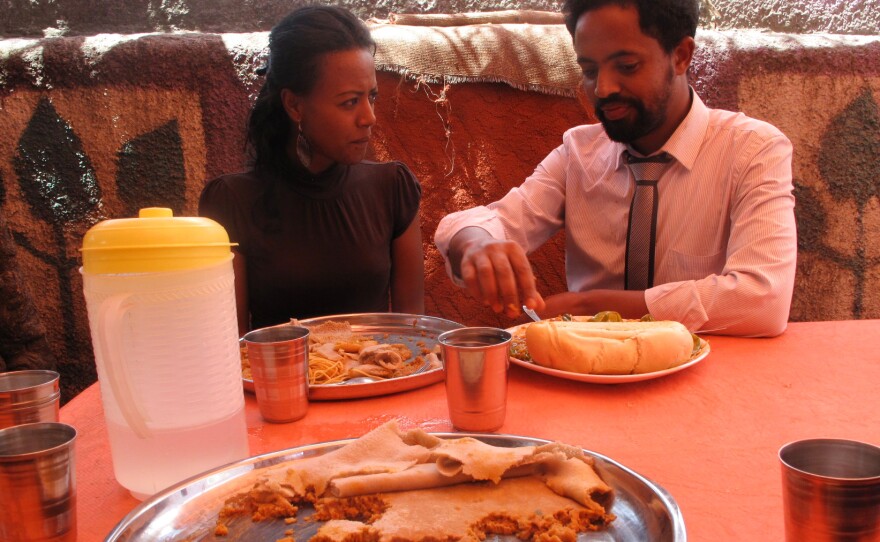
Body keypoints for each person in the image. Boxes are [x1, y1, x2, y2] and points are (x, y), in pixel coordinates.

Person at [434, 0, 796, 337]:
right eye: (589, 70)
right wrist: (476, 243)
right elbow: (490, 222)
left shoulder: (753, 150)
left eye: (627, 66)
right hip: (584, 379)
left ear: (681, 56)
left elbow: (764, 298)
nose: (603, 88)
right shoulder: (578, 152)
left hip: (706, 382)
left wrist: (591, 306)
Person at [200, 5, 424, 335]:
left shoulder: (392, 189)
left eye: (371, 97)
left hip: (379, 382)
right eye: (350, 101)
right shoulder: (232, 203)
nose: (369, 117)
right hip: (277, 383)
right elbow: (228, 348)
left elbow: (413, 332)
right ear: (294, 105)